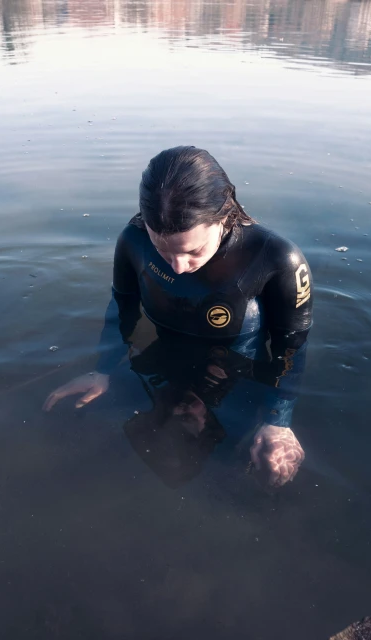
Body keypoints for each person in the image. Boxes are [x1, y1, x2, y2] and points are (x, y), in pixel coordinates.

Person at [44, 146, 313, 487]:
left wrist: (279, 419)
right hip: (161, 357)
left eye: (193, 251)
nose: (179, 267)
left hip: (237, 367)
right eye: (163, 249)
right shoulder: (133, 240)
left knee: (253, 474)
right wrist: (103, 369)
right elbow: (121, 307)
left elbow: (292, 346)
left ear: (223, 215)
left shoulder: (275, 257)